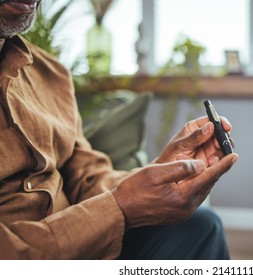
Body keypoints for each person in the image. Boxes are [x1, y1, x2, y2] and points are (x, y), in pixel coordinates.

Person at [0, 0, 238, 259]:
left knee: (203, 226)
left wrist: (157, 175)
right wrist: (120, 206)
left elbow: (85, 175)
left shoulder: (51, 74)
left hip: (89, 242)